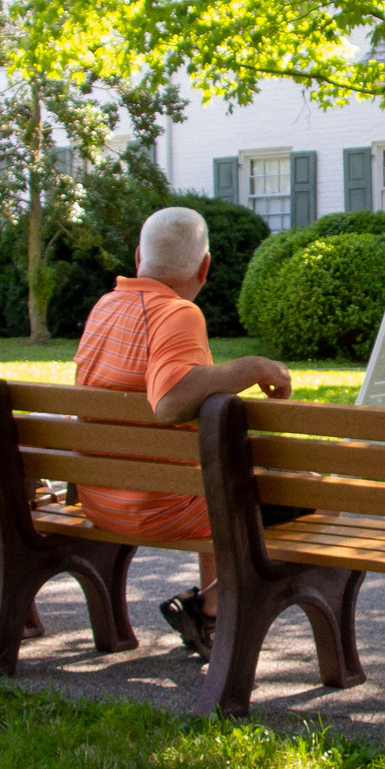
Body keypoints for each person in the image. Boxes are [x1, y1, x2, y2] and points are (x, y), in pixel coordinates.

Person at [72, 206, 294, 657]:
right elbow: (171, 400)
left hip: (101, 496)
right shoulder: (178, 314)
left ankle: (211, 613)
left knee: (218, 481)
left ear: (138, 257)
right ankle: (211, 605)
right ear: (205, 266)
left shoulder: (105, 306)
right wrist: (254, 366)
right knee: (309, 496)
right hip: (160, 506)